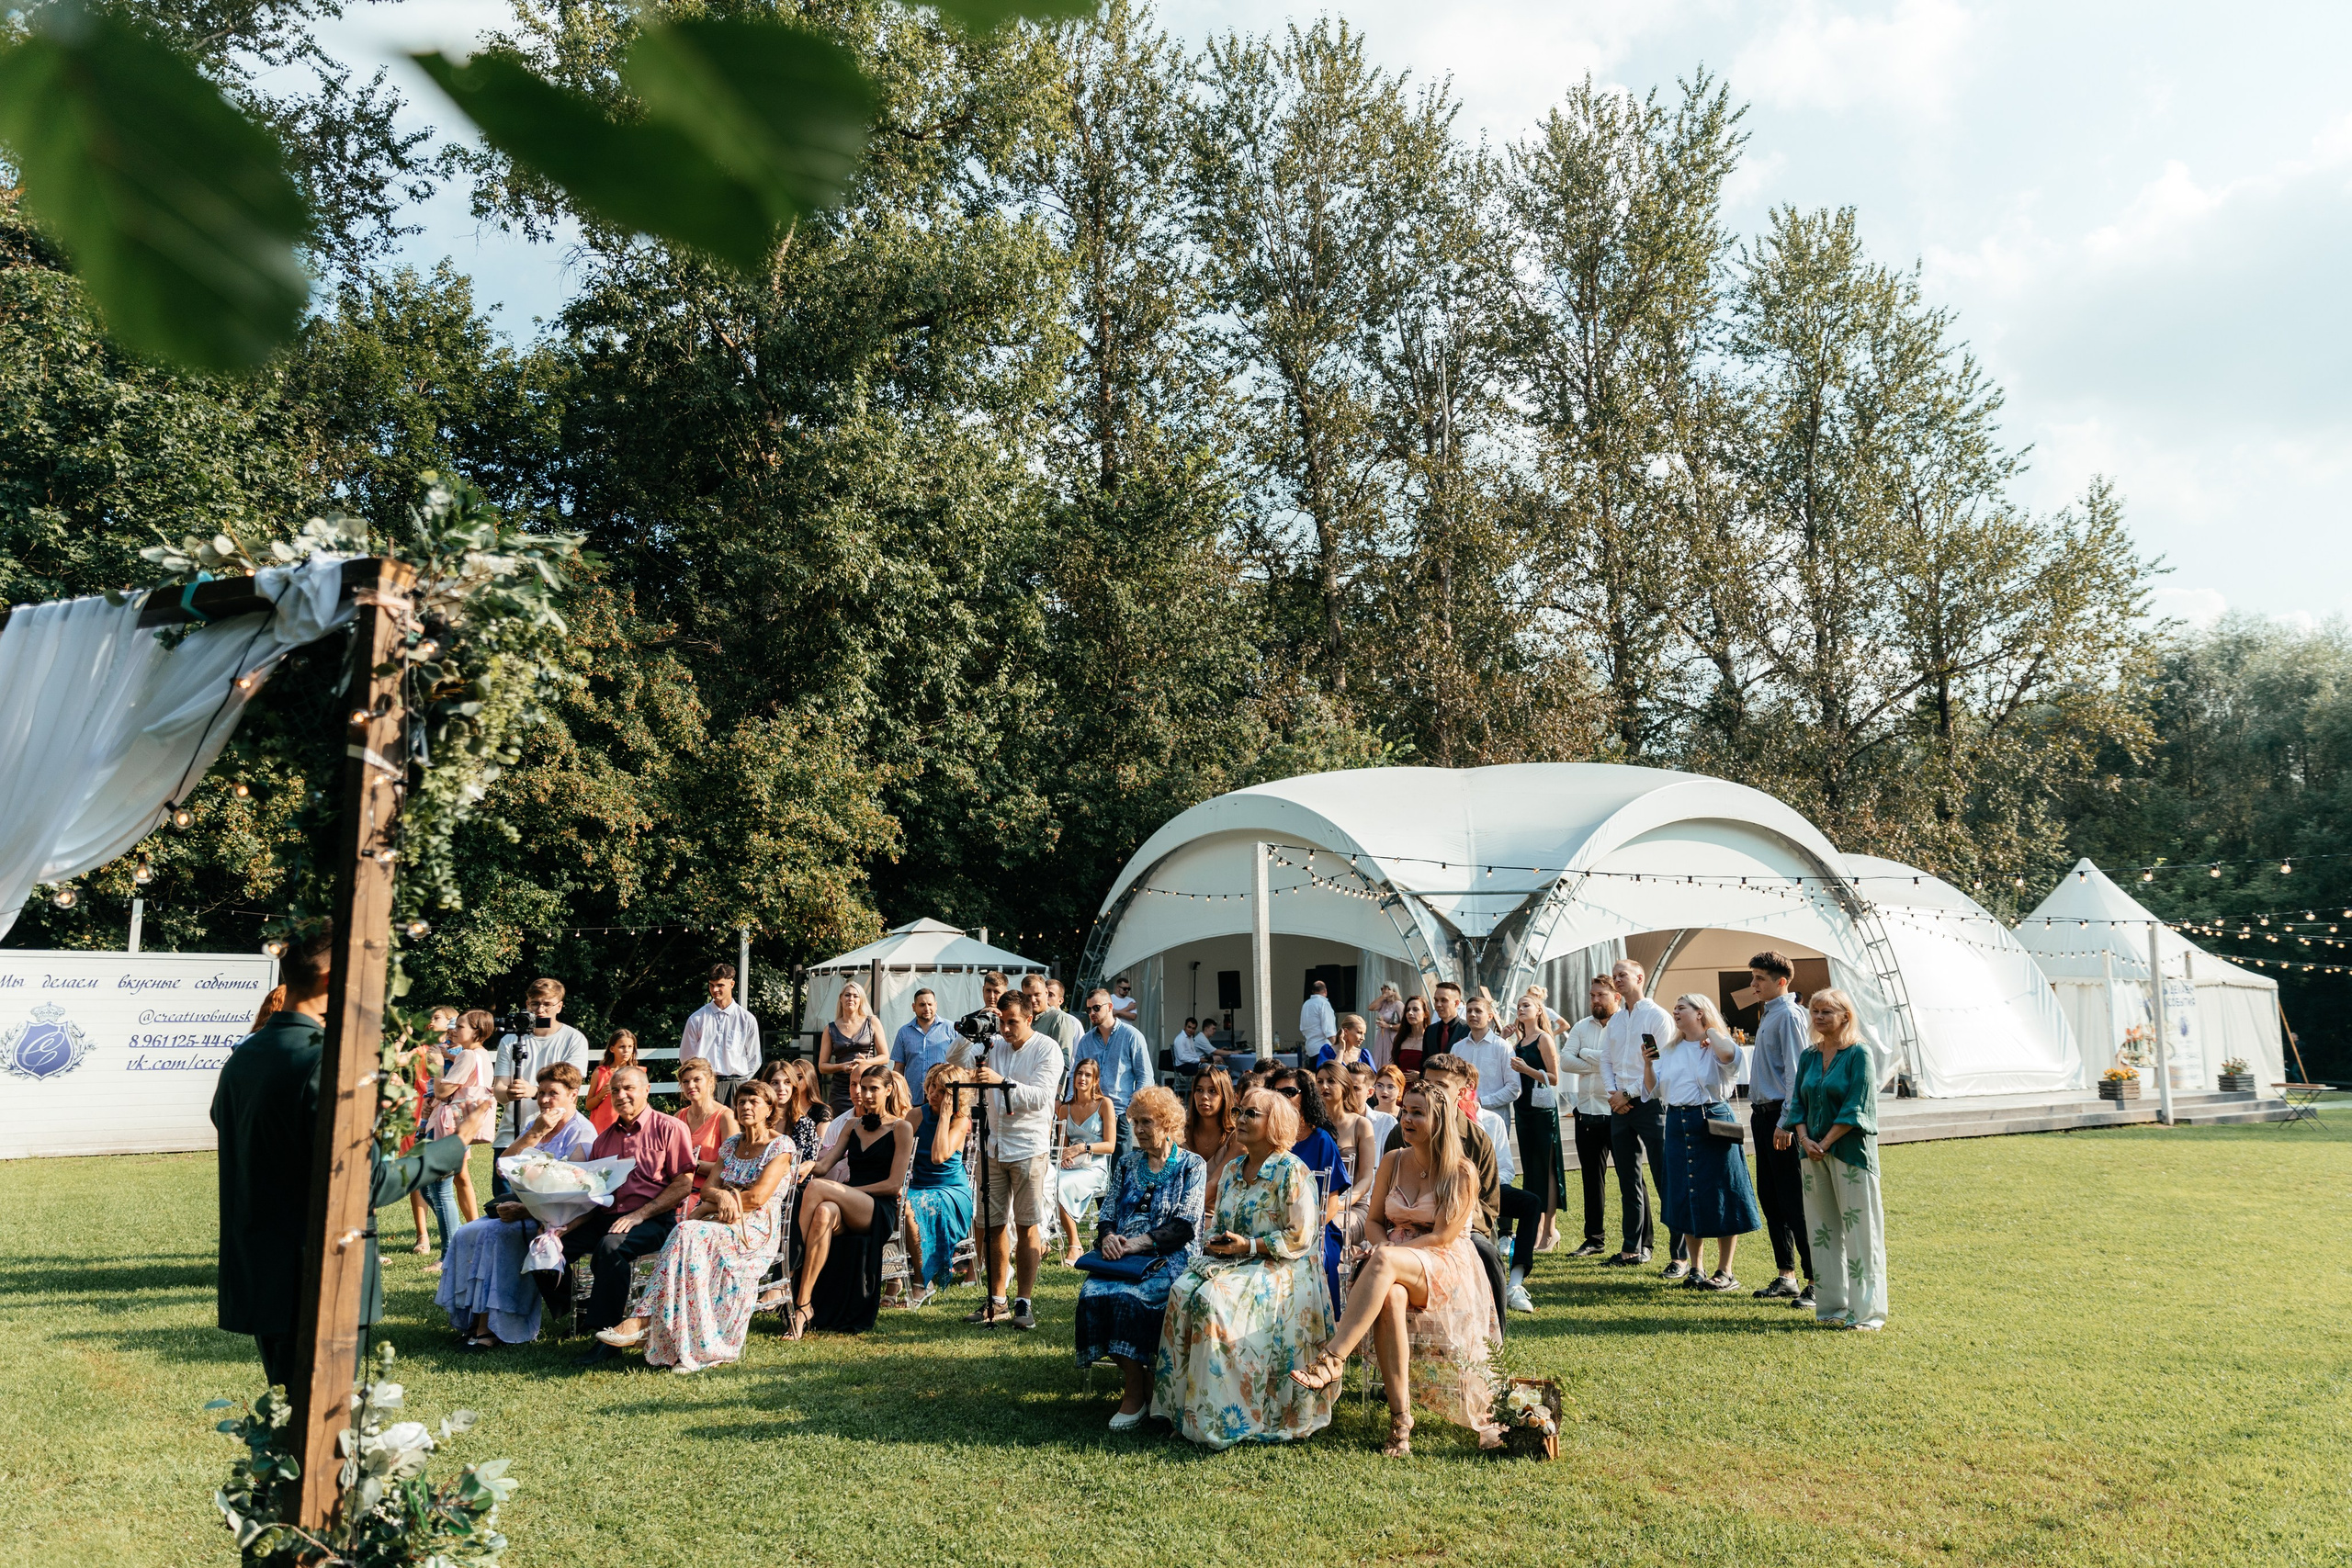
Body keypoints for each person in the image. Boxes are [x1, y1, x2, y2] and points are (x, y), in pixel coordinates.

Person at [213, 934, 488, 1390]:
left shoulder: (245, 1055)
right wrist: (454, 1143)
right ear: (329, 978)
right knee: (324, 1426)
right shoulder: (332, 1063)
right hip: (321, 1272)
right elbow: (369, 1184)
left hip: (260, 1266)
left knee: (287, 1412)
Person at [1290, 1079, 1504, 1456]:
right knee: (1390, 1296)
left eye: (1418, 1112)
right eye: (1405, 1111)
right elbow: (1373, 1221)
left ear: (1440, 1120)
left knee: (1386, 1265)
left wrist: (1385, 1254)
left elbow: (1442, 1237)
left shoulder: (1461, 1171)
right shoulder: (1392, 1160)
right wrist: (1384, 1247)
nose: (1406, 1118)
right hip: (1392, 1261)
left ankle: (1333, 1358)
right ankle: (1400, 1422)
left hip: (1443, 1264)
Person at [1151, 1089, 1334, 1449]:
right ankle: (1185, 1413)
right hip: (1235, 1259)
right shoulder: (1233, 1169)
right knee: (1182, 1290)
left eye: (1252, 1114)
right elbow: (1220, 1221)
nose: (1241, 1119)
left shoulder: (1291, 1170)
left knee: (1211, 1298)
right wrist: (1218, 1241)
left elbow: (1300, 1237)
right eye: (1240, 1111)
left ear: (1275, 1124)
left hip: (1284, 1267)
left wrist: (1248, 1245)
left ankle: (1219, 1418)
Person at [597, 1078, 795, 1371]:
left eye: (754, 1102)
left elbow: (756, 1198)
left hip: (754, 1231)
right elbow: (706, 1189)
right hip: (717, 1225)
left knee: (688, 1230)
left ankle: (644, 1321)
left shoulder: (780, 1146)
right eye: (741, 1102)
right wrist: (717, 1201)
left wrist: (713, 1204)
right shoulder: (730, 1145)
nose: (745, 1106)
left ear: (769, 1109)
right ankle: (674, 1336)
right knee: (687, 1232)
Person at [437, 1063, 599, 1347]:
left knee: (495, 1235)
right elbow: (503, 1167)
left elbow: (572, 1191)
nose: (546, 1100)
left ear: (573, 1095)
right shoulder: (535, 1123)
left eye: (554, 1093)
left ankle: (494, 1328)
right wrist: (534, 1133)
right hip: (521, 1205)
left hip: (556, 1216)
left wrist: (526, 1209)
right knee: (466, 1233)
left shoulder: (582, 1133)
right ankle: (470, 1319)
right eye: (542, 1093)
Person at [1076, 1085, 1205, 1429]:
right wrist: (1107, 1239)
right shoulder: (1128, 1163)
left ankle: (1133, 1393)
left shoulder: (1191, 1165)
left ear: (1168, 1124)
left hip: (1170, 1257)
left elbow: (1185, 1226)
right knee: (1091, 1295)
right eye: (1135, 1123)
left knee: (1131, 1299)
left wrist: (1138, 1243)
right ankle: (1143, 1382)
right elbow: (1106, 1213)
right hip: (1120, 1255)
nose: (1139, 1130)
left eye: (1147, 1122)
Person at [560, 1066, 698, 1366]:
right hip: (605, 1217)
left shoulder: (670, 1128)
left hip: (652, 1220)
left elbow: (683, 1183)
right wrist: (564, 1226)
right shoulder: (603, 1139)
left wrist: (640, 1214)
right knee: (548, 1243)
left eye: (629, 1089)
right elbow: (594, 1194)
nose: (621, 1096)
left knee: (611, 1247)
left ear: (646, 1090)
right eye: (615, 1091)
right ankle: (575, 1309)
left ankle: (607, 1336)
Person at [1778, 989, 1885, 1330]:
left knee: (1860, 1234)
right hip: (1811, 1155)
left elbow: (1857, 1104)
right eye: (1814, 1011)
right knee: (1822, 1231)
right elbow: (1798, 1103)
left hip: (1850, 1153)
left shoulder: (1859, 1054)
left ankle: (1866, 1314)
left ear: (1845, 1016)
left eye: (1826, 1011)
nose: (1818, 1017)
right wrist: (1806, 1139)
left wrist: (1823, 1141)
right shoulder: (1810, 1056)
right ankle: (1831, 1309)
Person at [787, 1061, 916, 1337]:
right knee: (823, 1212)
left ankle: (791, 1259)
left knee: (820, 1189)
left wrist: (851, 1192)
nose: (866, 1095)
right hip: (849, 1202)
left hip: (877, 1205)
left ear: (888, 1090)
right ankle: (803, 1305)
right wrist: (808, 1165)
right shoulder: (851, 1125)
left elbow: (894, 1185)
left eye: (874, 1089)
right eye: (862, 1088)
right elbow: (823, 1166)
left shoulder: (901, 1128)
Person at [966, 989, 1065, 1330]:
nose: (1006, 1029)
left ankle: (1024, 1301)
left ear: (1030, 1018)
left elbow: (1041, 1099)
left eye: (1013, 1023)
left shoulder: (1047, 1049)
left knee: (1026, 1226)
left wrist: (1001, 1082)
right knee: (992, 1225)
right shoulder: (994, 1045)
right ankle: (997, 1299)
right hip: (994, 1145)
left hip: (1027, 1148)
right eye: (1001, 1022)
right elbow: (955, 1061)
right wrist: (975, 1027)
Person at [1647, 994, 1759, 1291]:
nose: (1675, 1012)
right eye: (1675, 1007)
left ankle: (1726, 1271)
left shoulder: (1716, 1044)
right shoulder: (1669, 1050)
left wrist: (1710, 1031)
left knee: (1723, 1190)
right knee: (1685, 1193)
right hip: (1676, 1124)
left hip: (1711, 1121)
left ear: (1700, 1013)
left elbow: (1732, 1059)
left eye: (1681, 1007)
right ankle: (1696, 1267)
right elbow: (1655, 1089)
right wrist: (1648, 1065)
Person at [1745, 951, 1815, 1307]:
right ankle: (1786, 1275)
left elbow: (1796, 1072)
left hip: (1779, 1118)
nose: (1753, 984)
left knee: (1792, 1201)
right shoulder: (1771, 1012)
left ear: (1781, 981)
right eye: (1753, 977)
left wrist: (1787, 1121)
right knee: (1771, 1198)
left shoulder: (1788, 1015)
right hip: (1763, 1116)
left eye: (1759, 978)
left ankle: (1817, 1280)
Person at [1599, 957, 1679, 1273]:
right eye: (1614, 976)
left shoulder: (1656, 1016)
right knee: (1628, 1178)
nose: (1617, 980)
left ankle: (1679, 1254)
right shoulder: (1616, 1020)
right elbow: (1606, 1060)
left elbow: (1657, 1066)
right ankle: (1633, 1247)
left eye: (1623, 975)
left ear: (1640, 977)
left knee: (1663, 1178)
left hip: (1649, 1105)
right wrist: (1613, 1094)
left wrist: (1627, 1094)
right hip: (1619, 1105)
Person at [1267, 1066, 1351, 1308]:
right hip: (1269, 1228)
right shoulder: (1265, 1140)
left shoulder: (1321, 1141)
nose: (1281, 1098)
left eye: (1289, 1092)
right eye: (1275, 1092)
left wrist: (1298, 1232)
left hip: (1316, 1229)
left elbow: (1332, 1206)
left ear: (1305, 1096)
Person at [903, 1063, 976, 1305]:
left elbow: (938, 1156)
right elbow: (900, 1155)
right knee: (894, 1202)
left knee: (909, 1207)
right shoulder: (914, 1115)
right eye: (932, 1086)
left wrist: (945, 1115)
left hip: (950, 1191)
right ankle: (894, 1279)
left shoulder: (960, 1119)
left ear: (954, 1096)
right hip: (919, 1185)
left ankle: (921, 1281)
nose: (934, 1093)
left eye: (942, 1091)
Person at [492, 977, 590, 1149]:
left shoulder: (574, 1039)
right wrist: (510, 1093)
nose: (540, 1010)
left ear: (559, 1006)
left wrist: (533, 1091)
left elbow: (571, 1089)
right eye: (535, 1004)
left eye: (547, 1004)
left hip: (555, 1134)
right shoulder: (509, 1040)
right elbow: (499, 1091)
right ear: (527, 1004)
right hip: (511, 1136)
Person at [424, 1009, 497, 1224]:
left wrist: (437, 1066)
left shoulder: (467, 1054)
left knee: (439, 1189)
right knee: (447, 1183)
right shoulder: (482, 1054)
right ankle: (466, 1229)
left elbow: (442, 1092)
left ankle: (452, 1241)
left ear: (477, 1031)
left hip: (452, 1127)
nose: (453, 1030)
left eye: (460, 1026)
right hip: (466, 1124)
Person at [1508, 990, 1566, 1254]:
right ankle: (1535, 1228)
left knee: (1547, 1169)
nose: (1521, 1008)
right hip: (1523, 1109)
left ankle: (1549, 1231)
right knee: (1531, 1170)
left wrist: (1526, 1070)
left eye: (1527, 1005)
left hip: (1542, 1110)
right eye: (1519, 1005)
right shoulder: (1520, 1041)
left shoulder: (1544, 1039)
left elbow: (1553, 1078)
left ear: (1539, 1011)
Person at [1562, 978, 1617, 1258]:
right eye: (1592, 994)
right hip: (1586, 1113)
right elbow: (1565, 1062)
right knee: (1591, 1180)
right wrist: (1602, 1063)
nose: (1595, 999)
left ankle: (1640, 1242)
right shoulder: (1582, 1026)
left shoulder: (1623, 1025)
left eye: (1601, 995)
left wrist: (1586, 1055)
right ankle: (1594, 1239)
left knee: (1633, 1181)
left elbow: (1622, 1062)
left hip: (1618, 1112)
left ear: (1616, 996)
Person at [1075, 985, 1154, 1156]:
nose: (1092, 1013)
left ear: (1110, 1007)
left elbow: (1145, 1076)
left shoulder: (1131, 1036)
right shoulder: (1086, 1040)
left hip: (1120, 1114)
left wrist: (1130, 1110)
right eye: (1089, 1009)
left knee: (1121, 1171)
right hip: (1091, 1115)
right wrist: (1070, 1106)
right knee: (1093, 1170)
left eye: (1096, 1008)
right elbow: (1075, 1075)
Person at [1055, 1056, 1115, 1267]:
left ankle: (1074, 1243)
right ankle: (1044, 1240)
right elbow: (1062, 1146)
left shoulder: (1104, 1104)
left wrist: (1083, 1147)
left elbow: (1110, 1146)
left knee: (1057, 1186)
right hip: (1071, 1166)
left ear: (1095, 1080)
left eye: (1088, 1075)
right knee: (1045, 1182)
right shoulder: (1065, 1109)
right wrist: (1065, 1156)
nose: (1082, 1078)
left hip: (1096, 1168)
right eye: (1079, 1074)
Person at [403, 1010, 452, 1260]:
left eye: (437, 1018)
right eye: (430, 1018)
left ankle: (469, 1228)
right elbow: (396, 1063)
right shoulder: (421, 1050)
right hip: (419, 1115)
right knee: (418, 1178)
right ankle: (423, 1234)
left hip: (447, 1116)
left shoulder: (458, 1051)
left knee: (460, 1179)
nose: (431, 1022)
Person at [681, 962, 763, 1108]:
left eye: (720, 985)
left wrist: (740, 1084)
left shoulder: (746, 1019)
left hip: (735, 1084)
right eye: (711, 985)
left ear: (732, 984)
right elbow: (686, 1057)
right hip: (704, 1084)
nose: (715, 990)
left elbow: (754, 1058)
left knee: (735, 1129)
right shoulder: (697, 1018)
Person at [673, 1057, 741, 1195]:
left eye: (697, 1080)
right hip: (677, 1191)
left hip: (708, 1195)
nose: (690, 1085)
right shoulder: (679, 1117)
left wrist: (692, 1165)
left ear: (710, 1082)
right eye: (685, 1081)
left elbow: (731, 1167)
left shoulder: (726, 1117)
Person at [819, 980, 883, 1113]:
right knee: (842, 1127)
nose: (851, 999)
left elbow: (885, 1056)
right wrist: (841, 1066)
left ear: (861, 1000)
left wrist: (866, 1062)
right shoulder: (830, 1029)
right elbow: (822, 1066)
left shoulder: (872, 1022)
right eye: (847, 995)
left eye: (855, 996)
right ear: (841, 998)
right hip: (841, 1089)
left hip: (868, 1086)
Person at [1182, 1065, 1239, 1195]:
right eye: (1199, 1090)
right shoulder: (1179, 1132)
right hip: (1179, 1210)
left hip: (1219, 1212)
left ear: (1224, 1096)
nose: (1204, 1097)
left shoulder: (1236, 1136)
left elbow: (1215, 1184)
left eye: (1212, 1091)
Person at [892, 987, 958, 1088]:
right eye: (922, 1005)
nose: (927, 1008)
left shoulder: (951, 1029)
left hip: (942, 1094)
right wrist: (896, 1091)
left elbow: (959, 1063)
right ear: (914, 1007)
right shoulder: (903, 1033)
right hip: (912, 1096)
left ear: (936, 1006)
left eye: (930, 1004)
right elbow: (899, 1068)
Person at [582, 1029, 636, 1134]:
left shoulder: (636, 1074)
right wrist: (601, 1095)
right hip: (602, 1128)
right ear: (612, 1049)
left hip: (628, 1127)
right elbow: (588, 1105)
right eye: (622, 1047)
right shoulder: (600, 1073)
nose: (626, 1051)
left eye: (630, 1046)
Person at [1026, 973, 1084, 1058]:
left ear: (1060, 1001)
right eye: (1045, 994)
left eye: (1051, 995)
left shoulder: (1071, 1021)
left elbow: (1077, 1054)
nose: (1046, 997)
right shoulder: (1029, 1019)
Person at [1423, 980, 1471, 1060]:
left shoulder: (1468, 1030)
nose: (1438, 1005)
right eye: (1436, 1000)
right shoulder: (1430, 1031)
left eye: (1443, 1000)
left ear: (1456, 1003)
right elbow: (1424, 1062)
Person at [1392, 994, 1432, 1076]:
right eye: (1407, 1010)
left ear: (1425, 1014)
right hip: (1400, 1086)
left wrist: (1421, 1076)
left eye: (1415, 1009)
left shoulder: (1431, 1039)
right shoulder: (1400, 1038)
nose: (1410, 1013)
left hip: (1422, 1087)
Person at [1298, 978, 1337, 1058]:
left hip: (1310, 1048)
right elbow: (1328, 1030)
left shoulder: (1306, 1004)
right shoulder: (1324, 1004)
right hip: (1324, 1049)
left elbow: (1303, 1027)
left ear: (1313, 991)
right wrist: (1338, 1048)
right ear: (1325, 991)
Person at [1371, 982, 1403, 1069]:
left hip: (1392, 1036)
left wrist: (1388, 1026)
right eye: (1382, 989)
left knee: (1389, 1058)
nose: (1383, 991)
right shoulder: (1383, 1003)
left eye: (1386, 988)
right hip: (1381, 1035)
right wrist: (1383, 997)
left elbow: (1404, 1025)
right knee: (1379, 1057)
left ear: (1393, 991)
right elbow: (1370, 1007)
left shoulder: (1398, 1004)